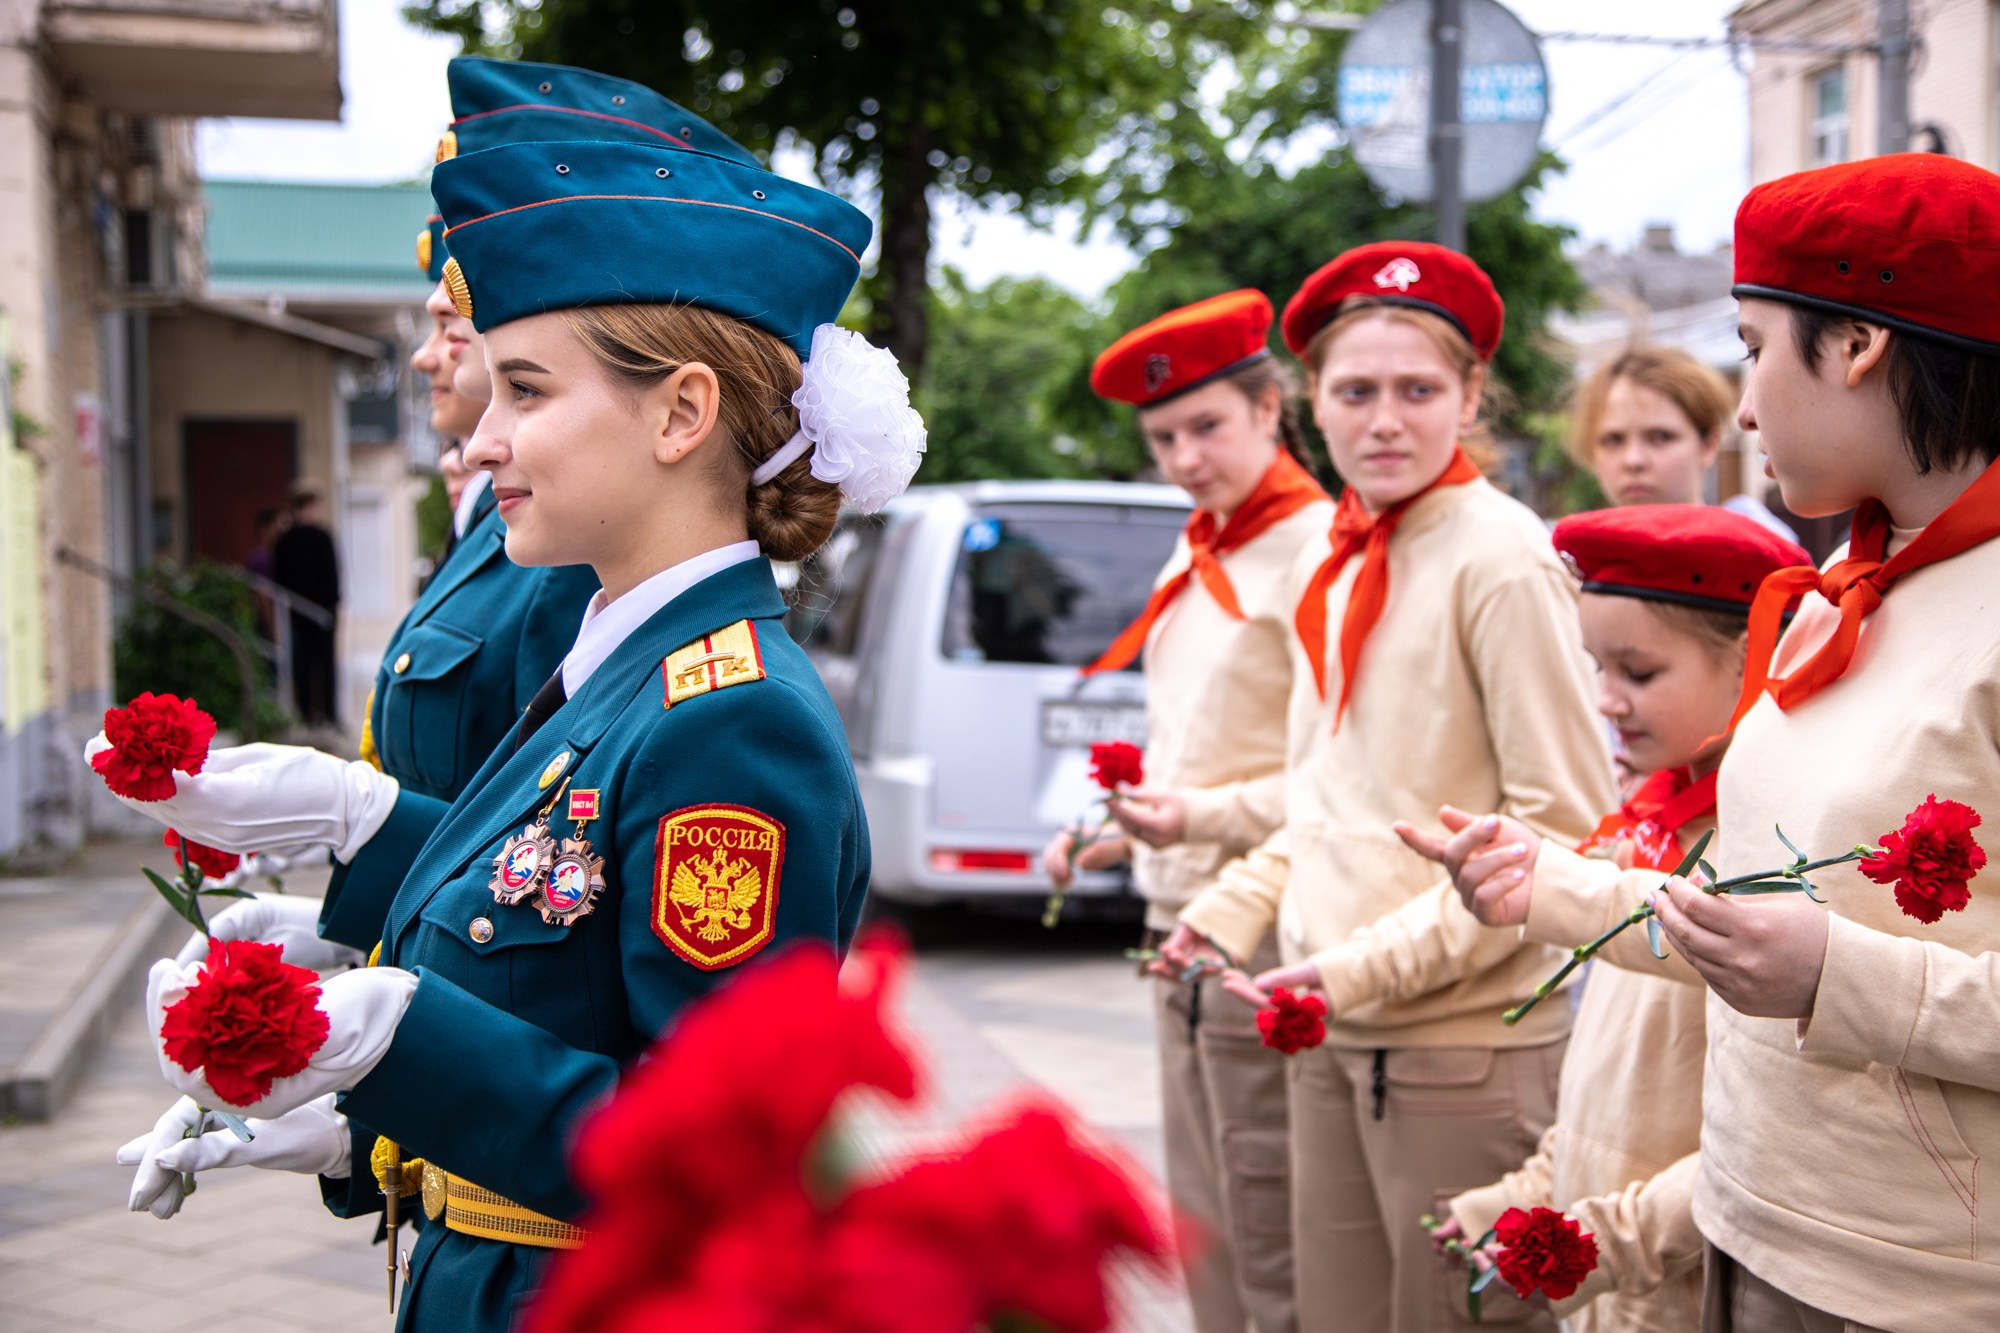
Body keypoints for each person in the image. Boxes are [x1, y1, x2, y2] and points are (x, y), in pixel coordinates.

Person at [112, 131, 919, 1331]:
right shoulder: (616, 665)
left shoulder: (734, 722)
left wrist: (394, 1039)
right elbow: (554, 975)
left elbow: (710, 1162)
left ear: (680, 414)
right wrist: (342, 1127)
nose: (479, 437)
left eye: (528, 390)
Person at [1161, 241, 1614, 1333]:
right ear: (1309, 403)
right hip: (1333, 1022)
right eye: (1354, 391)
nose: (1383, 421)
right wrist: (1221, 916)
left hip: (1458, 1046)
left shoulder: (1501, 558)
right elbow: (1327, 794)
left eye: (1417, 391)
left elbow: (1561, 831)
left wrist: (1349, 969)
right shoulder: (1348, 552)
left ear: (1468, 396)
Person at [1637, 154, 2000, 1331]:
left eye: (1750, 345)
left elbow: (1818, 959)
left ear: (1855, 346)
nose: (1740, 405)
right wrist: (1535, 886)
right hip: (1747, 1221)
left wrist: (1839, 977)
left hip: (1909, 1283)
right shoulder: (1837, 592)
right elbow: (1746, 902)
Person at [1386, 506, 1808, 1332]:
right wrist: (1528, 1197)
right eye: (1597, 668)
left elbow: (1773, 1139)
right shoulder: (1648, 829)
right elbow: (1613, 1081)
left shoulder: (1764, 859)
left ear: (1751, 665)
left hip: (1681, 1287)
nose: (1606, 701)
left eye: (1639, 672)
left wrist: (1611, 1237)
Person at [1042, 289, 1332, 1333]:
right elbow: (1200, 745)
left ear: (1271, 409)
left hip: (1266, 925)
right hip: (1176, 921)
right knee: (1203, 1219)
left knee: (1268, 1229)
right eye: (1162, 436)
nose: (1183, 457)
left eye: (1206, 426)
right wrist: (1115, 828)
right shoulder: (1198, 542)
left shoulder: (1317, 551)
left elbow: (1342, 780)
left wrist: (1196, 819)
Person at [1568, 346, 1796, 541]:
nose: (1633, 460)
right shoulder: (1572, 568)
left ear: (1708, 444)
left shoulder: (1760, 550)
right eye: (1612, 440)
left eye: (1660, 437)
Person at [273, 485, 341, 727]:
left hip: (299, 611)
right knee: (321, 664)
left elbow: (278, 578)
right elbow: (332, 574)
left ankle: (308, 714)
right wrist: (334, 604)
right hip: (319, 612)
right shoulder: (320, 537)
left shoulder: (285, 539)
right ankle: (327, 714)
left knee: (303, 664)